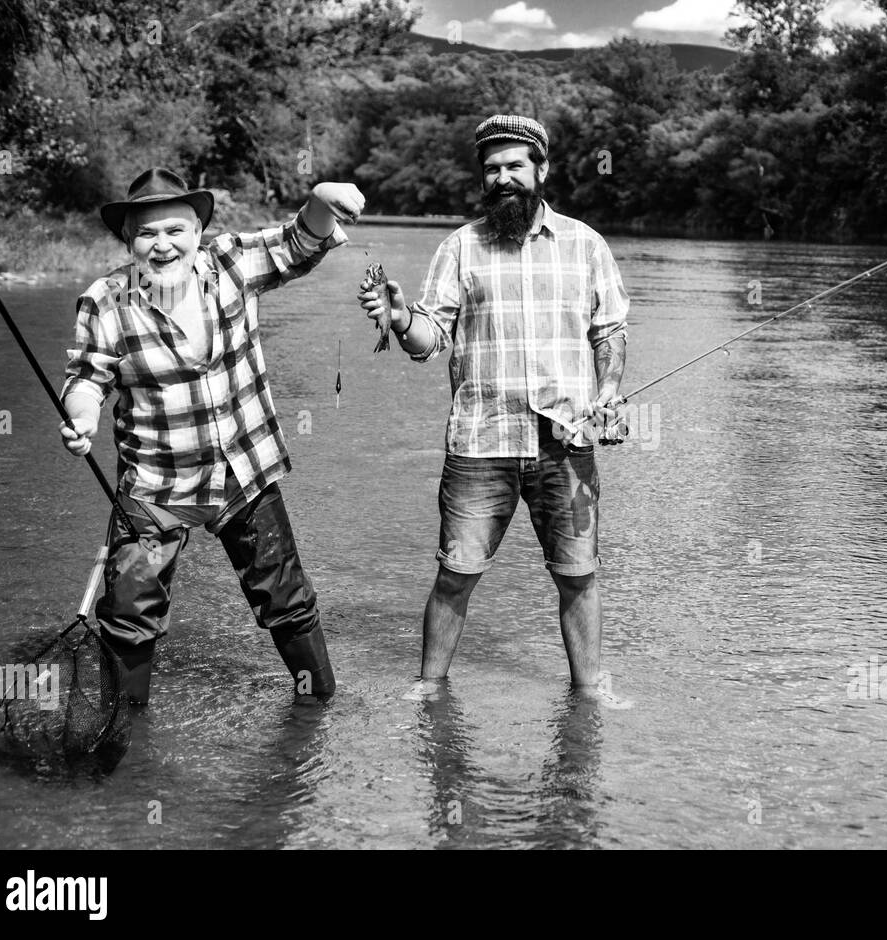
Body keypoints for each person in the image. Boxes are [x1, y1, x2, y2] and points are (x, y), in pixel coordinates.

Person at [59, 167, 364, 705]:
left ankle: (317, 707)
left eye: (175, 230)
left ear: (198, 232)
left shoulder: (231, 262)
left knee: (286, 598)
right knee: (130, 612)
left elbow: (300, 240)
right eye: (147, 234)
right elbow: (86, 379)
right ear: (129, 241)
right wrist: (81, 417)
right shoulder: (104, 300)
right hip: (154, 486)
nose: (162, 245)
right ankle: (126, 725)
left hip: (241, 470)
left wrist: (319, 200)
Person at [358, 115, 629, 691]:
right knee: (456, 572)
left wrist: (607, 391)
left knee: (579, 576)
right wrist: (402, 319)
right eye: (492, 169)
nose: (503, 178)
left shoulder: (586, 244)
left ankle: (589, 691)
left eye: (514, 166)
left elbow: (609, 332)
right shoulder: (460, 247)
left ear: (542, 170)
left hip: (566, 442)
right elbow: (430, 340)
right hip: (481, 443)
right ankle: (429, 688)